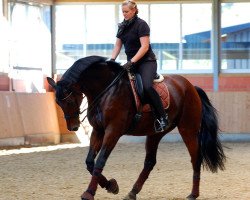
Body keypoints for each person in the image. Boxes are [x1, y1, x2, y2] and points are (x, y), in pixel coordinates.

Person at [110, 0, 169, 133]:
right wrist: (112, 60)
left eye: (127, 11)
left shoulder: (141, 24)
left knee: (147, 87)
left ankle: (163, 117)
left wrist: (131, 62)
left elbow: (145, 46)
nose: (124, 14)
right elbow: (118, 45)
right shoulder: (122, 26)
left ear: (134, 10)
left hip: (146, 62)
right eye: (123, 12)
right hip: (132, 63)